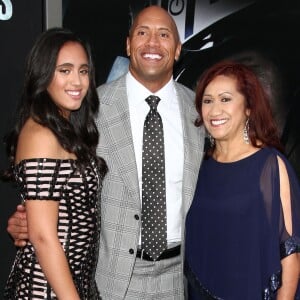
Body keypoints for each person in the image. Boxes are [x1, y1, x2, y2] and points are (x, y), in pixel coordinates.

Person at [6, 6, 205, 299]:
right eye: (142, 32)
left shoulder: (201, 112)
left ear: (177, 50)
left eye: (163, 35)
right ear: (127, 44)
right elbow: (48, 187)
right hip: (108, 280)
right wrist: (29, 221)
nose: (152, 42)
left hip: (175, 280)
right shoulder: (88, 109)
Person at [2, 27, 107, 299]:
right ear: (44, 74)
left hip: (72, 284)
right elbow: (43, 237)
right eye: (65, 70)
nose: (77, 81)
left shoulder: (66, 127)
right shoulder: (41, 134)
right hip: (46, 290)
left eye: (83, 71)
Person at [184, 60, 300, 299]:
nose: (215, 111)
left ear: (248, 107)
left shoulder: (269, 166)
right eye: (208, 101)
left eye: (225, 99)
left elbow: (290, 256)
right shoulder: (198, 166)